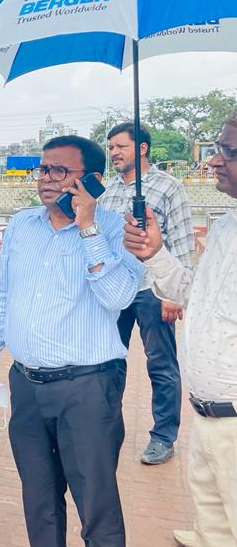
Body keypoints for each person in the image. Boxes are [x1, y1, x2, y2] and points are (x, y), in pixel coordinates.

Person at [0, 135, 144, 547]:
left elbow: (118, 297)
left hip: (88, 387)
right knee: (39, 495)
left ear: (92, 180)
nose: (46, 179)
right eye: (43, 169)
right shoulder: (22, 224)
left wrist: (88, 228)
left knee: (96, 503)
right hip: (27, 382)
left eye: (60, 171)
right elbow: (0, 293)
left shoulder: (117, 230)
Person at [122, 113, 237, 547]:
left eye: (230, 152)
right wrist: (155, 254)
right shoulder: (228, 226)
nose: (215, 161)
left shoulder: (172, 190)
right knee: (218, 546)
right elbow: (194, 291)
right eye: (218, 148)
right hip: (208, 420)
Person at [99, 122, 194, 465]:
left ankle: (163, 436)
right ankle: (106, 430)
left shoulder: (168, 187)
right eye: (111, 147)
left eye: (120, 146)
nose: (114, 153)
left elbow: (182, 240)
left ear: (142, 148)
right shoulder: (107, 191)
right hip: (117, 290)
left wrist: (173, 295)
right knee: (108, 362)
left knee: (161, 364)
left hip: (153, 288)